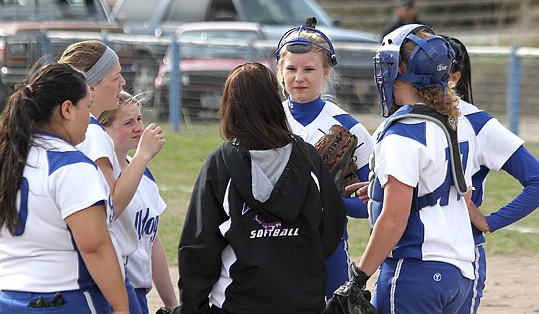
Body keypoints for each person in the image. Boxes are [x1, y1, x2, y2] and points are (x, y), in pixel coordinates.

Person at [178, 62, 346, 314]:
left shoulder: (221, 163)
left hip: (239, 304)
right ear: (273, 102)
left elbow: (198, 246)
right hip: (302, 304)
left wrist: (194, 307)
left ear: (229, 107)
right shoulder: (308, 157)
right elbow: (331, 228)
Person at [342, 24, 480, 314]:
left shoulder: (401, 134)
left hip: (414, 272)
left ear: (401, 70)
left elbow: (394, 219)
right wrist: (382, 189)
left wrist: (359, 277)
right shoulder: (459, 123)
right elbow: (455, 189)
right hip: (461, 273)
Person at [0, 62, 129, 313]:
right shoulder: (71, 166)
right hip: (67, 301)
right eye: (87, 107)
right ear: (67, 109)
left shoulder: (0, 165)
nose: (90, 117)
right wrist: (121, 306)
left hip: (9, 301)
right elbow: (94, 246)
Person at [443, 36, 539, 314]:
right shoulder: (403, 120)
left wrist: (489, 222)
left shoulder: (477, 123)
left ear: (454, 77)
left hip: (462, 253)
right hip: (410, 252)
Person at [59, 40, 166, 314]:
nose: (123, 82)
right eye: (115, 76)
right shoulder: (92, 133)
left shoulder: (75, 130)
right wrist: (142, 157)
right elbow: (112, 205)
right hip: (104, 271)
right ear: (91, 86)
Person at [275, 17, 375, 299]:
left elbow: (368, 205)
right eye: (291, 69)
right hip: (274, 246)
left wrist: (328, 200)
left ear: (327, 71)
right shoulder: (268, 121)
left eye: (309, 69)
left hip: (327, 249)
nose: (299, 77)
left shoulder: (349, 128)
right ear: (280, 71)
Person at [99, 91, 179, 314]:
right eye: (127, 122)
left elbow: (152, 240)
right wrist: (144, 154)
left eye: (139, 119)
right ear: (103, 130)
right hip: (112, 294)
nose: (138, 128)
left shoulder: (144, 175)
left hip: (139, 294)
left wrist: (171, 303)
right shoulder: (100, 175)